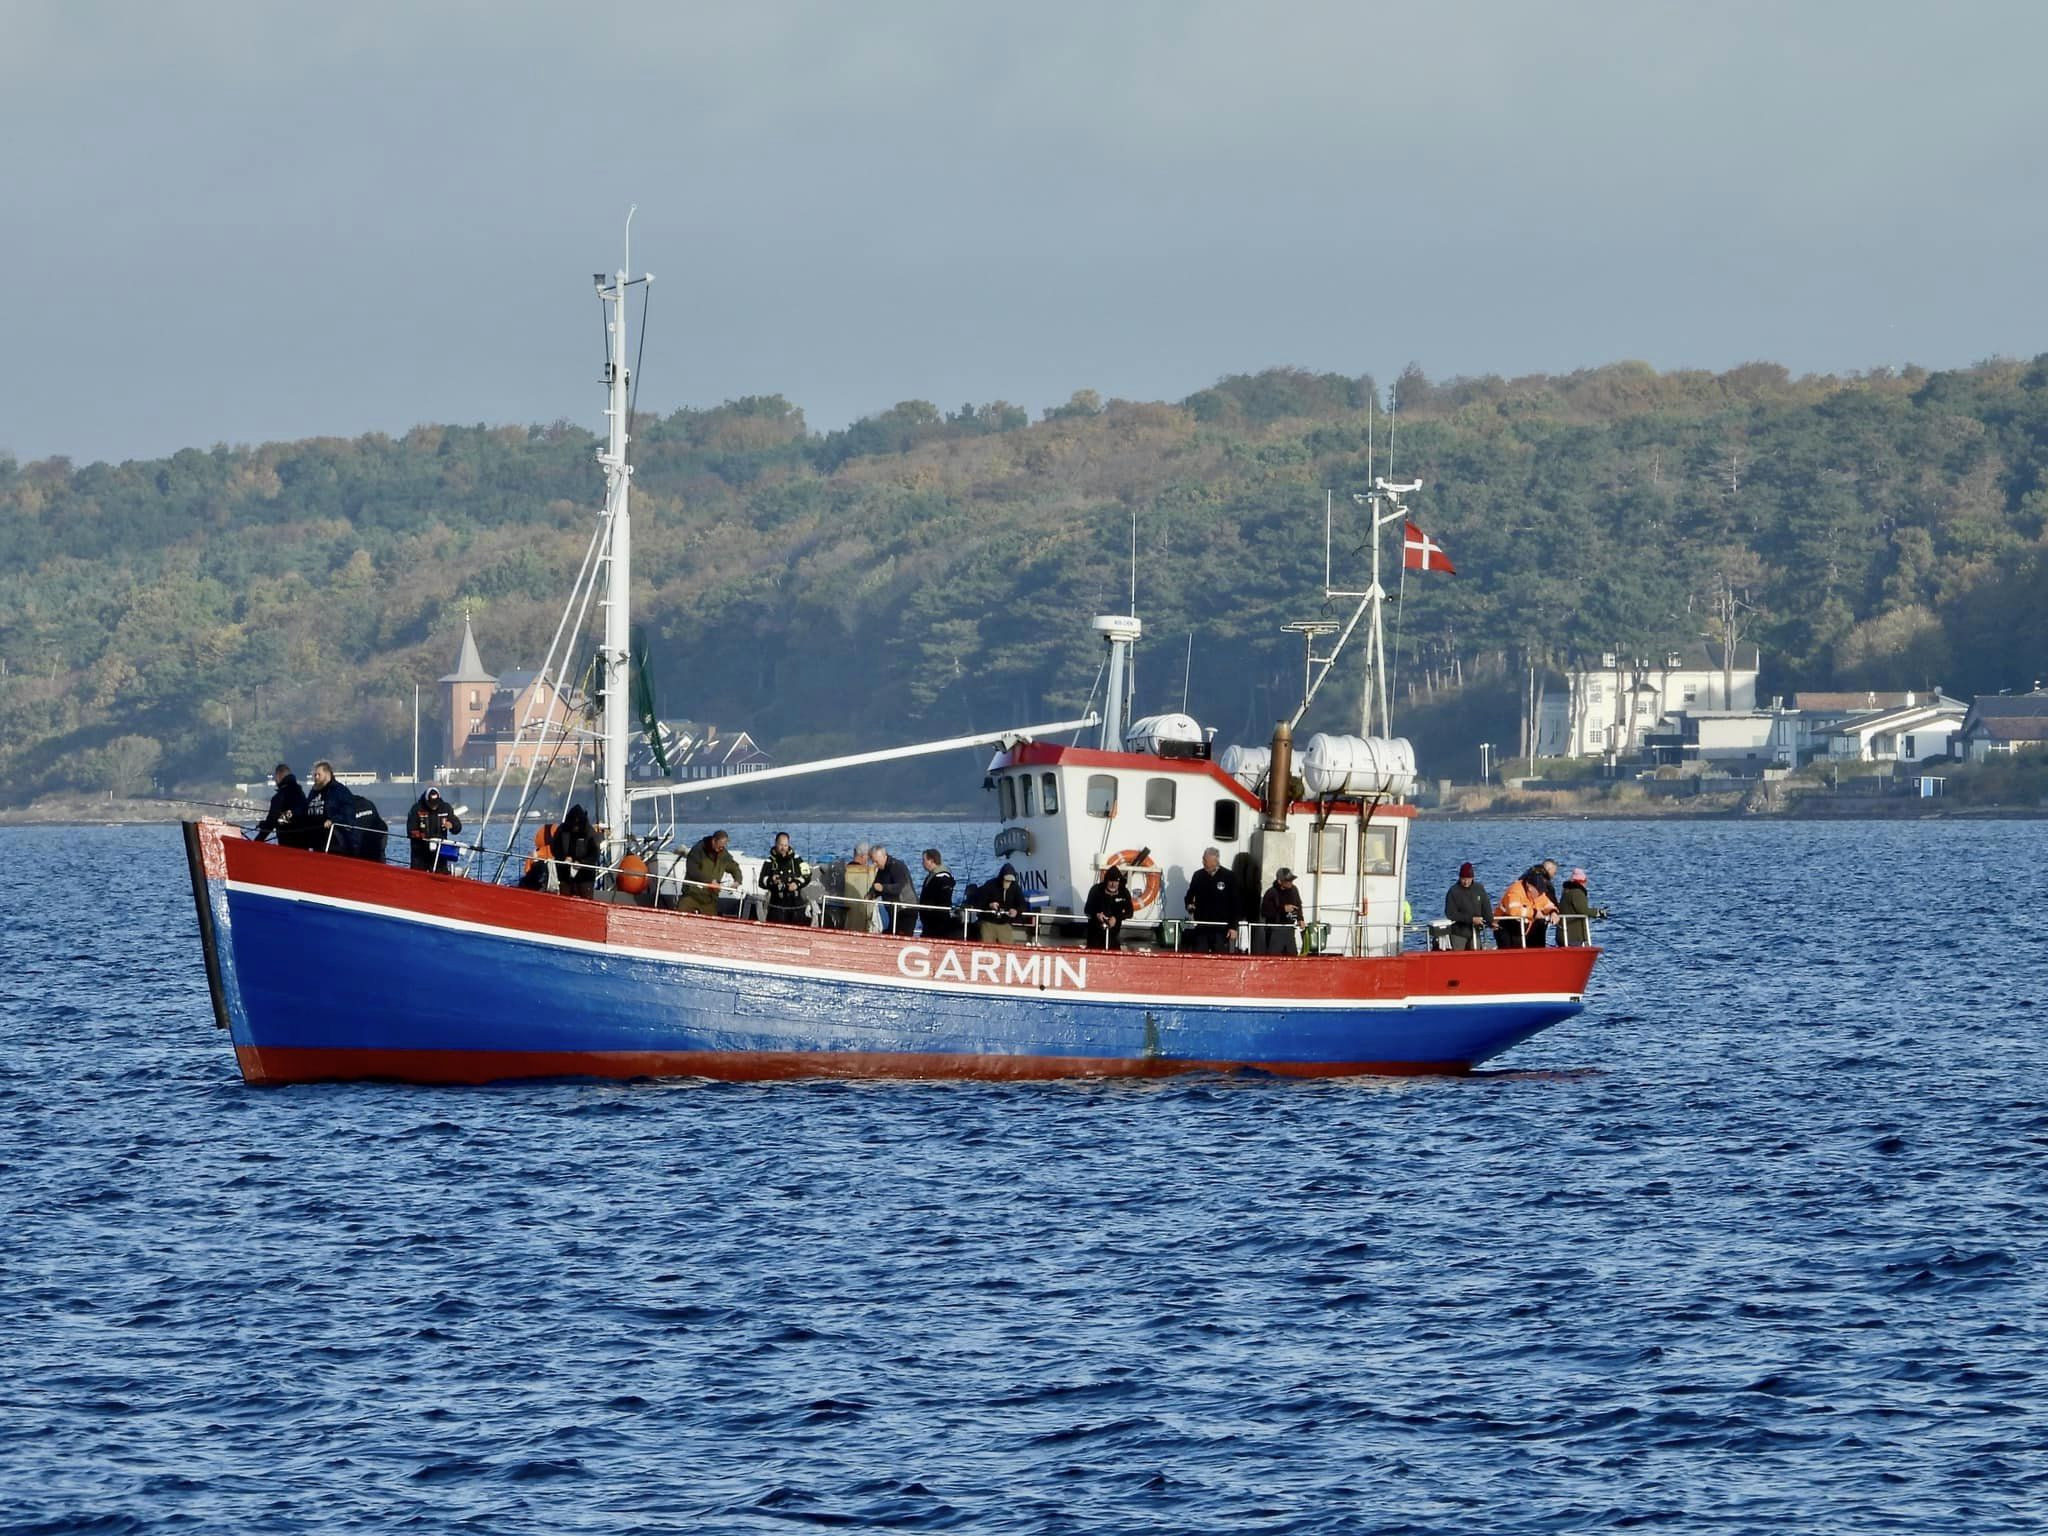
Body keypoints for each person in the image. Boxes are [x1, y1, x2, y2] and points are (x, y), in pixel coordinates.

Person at [1182, 846, 1237, 953]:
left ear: (1215, 861)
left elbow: (1235, 903)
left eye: (1205, 860)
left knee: (1220, 957)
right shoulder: (1198, 875)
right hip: (1202, 926)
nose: (1203, 862)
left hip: (1221, 927)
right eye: (1203, 859)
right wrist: (1189, 905)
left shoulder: (1228, 876)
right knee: (1199, 956)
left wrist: (1233, 926)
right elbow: (1189, 895)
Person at [680, 829, 744, 916]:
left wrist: (737, 880)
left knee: (712, 919)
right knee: (680, 914)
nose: (721, 848)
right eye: (720, 846)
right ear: (714, 841)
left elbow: (734, 867)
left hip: (710, 898)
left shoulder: (723, 854)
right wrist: (710, 881)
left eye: (723, 846)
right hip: (691, 894)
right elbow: (692, 870)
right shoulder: (698, 850)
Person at [303, 761, 359, 856]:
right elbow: (305, 810)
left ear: (327, 774)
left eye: (318, 775)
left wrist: (332, 820)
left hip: (335, 843)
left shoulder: (340, 791)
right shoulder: (313, 792)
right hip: (317, 843)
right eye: (315, 775)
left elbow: (349, 814)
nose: (315, 777)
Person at [1494, 869, 1557, 949]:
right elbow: (1514, 911)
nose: (1540, 893)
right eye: (1538, 890)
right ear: (1529, 886)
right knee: (1510, 953)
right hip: (1504, 925)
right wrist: (1534, 913)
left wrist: (1553, 912)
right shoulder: (1515, 890)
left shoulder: (1539, 894)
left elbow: (1547, 904)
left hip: (1523, 927)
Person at [759, 832, 812, 925]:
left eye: (785, 845)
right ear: (775, 844)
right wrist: (772, 881)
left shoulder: (796, 859)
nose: (783, 848)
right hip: (777, 906)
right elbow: (761, 881)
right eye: (781, 845)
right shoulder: (769, 861)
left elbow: (807, 875)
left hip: (796, 905)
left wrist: (797, 883)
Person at [405, 786, 463, 872]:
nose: (434, 806)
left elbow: (457, 827)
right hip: (420, 853)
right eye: (431, 803)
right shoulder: (416, 809)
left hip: (440, 852)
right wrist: (423, 837)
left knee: (441, 875)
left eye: (436, 803)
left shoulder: (446, 808)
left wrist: (452, 825)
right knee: (418, 875)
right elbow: (411, 830)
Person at [251, 763, 309, 847]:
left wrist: (256, 842)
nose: (275, 780)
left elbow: (272, 821)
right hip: (304, 843)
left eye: (275, 778)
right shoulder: (301, 794)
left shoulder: (279, 796)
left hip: (287, 843)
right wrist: (272, 822)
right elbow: (292, 815)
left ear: (278, 776)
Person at [969, 863, 1030, 944]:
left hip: (1004, 923)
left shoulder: (1015, 887)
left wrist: (1016, 911)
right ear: (1001, 878)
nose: (1008, 882)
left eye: (1010, 881)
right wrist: (989, 905)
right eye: (1006, 880)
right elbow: (979, 903)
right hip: (988, 921)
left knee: (1009, 947)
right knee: (986, 944)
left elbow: (1023, 904)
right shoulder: (990, 885)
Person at [552, 804, 602, 899]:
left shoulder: (590, 833)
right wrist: (563, 858)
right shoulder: (562, 830)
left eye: (578, 824)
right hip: (565, 873)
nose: (575, 827)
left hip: (585, 875)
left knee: (585, 898)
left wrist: (582, 862)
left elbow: (594, 854)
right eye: (573, 824)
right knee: (564, 898)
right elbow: (555, 847)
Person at [1443, 861, 1493, 950]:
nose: (1466, 882)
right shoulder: (1453, 891)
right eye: (1463, 879)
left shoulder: (1479, 889)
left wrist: (1490, 922)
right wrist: (1471, 919)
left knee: (1476, 958)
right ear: (1459, 878)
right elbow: (1450, 913)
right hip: (1458, 933)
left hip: (1475, 932)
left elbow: (1486, 908)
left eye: (1468, 879)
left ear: (1472, 878)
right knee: (1458, 959)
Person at [1256, 868, 1305, 956]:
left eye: (1292, 880)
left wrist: (1300, 919)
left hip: (1290, 930)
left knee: (1292, 957)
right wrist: (1283, 909)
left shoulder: (1294, 890)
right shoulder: (1271, 893)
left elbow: (1299, 905)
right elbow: (1265, 912)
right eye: (1287, 880)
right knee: (1274, 957)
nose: (1291, 882)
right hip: (1275, 930)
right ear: (1279, 881)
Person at [1083, 869, 1134, 951]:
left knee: (1115, 957)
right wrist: (1097, 915)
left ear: (1119, 882)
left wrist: (1116, 918)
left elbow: (1130, 912)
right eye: (1110, 881)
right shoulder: (1096, 890)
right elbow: (1087, 909)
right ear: (1106, 881)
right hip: (1095, 936)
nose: (1113, 884)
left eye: (1116, 882)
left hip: (1113, 937)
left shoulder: (1124, 892)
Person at [870, 845, 916, 935]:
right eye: (873, 861)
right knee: (888, 933)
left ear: (884, 856)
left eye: (876, 861)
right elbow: (876, 886)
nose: (875, 864)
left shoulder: (897, 866)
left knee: (901, 935)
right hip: (893, 910)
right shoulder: (881, 869)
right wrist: (870, 895)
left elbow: (899, 888)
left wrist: (883, 888)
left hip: (906, 909)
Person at [1558, 868, 1606, 946]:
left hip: (1563, 934)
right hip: (1573, 936)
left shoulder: (1566, 892)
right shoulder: (1577, 893)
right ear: (1582, 882)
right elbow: (1582, 910)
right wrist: (1598, 912)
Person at [918, 849, 959, 939]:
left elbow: (944, 895)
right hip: (928, 921)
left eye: (924, 860)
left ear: (931, 861)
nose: (922, 863)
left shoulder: (943, 877)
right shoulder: (931, 876)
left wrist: (930, 906)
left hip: (937, 920)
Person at [1520, 858, 1561, 946]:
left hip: (1525, 919)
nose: (1554, 875)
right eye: (1554, 873)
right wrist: (1555, 911)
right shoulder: (1545, 884)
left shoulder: (1524, 880)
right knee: (1537, 944)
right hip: (1537, 920)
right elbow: (1551, 901)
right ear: (1549, 870)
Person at [841, 843, 877, 933]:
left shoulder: (845, 869)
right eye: (868, 857)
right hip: (862, 912)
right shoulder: (868, 872)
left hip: (846, 912)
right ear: (863, 856)